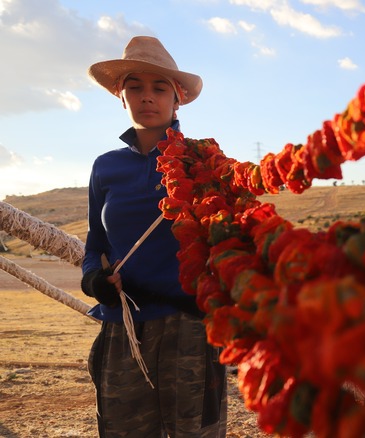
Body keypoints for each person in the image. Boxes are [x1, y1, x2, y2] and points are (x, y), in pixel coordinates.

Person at [80, 36, 227, 437]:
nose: (147, 97)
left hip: (191, 328)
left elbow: (229, 236)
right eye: (135, 87)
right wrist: (94, 280)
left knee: (194, 432)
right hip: (124, 324)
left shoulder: (202, 160)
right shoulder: (105, 168)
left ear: (177, 100)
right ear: (121, 96)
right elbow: (96, 243)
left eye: (159, 88)